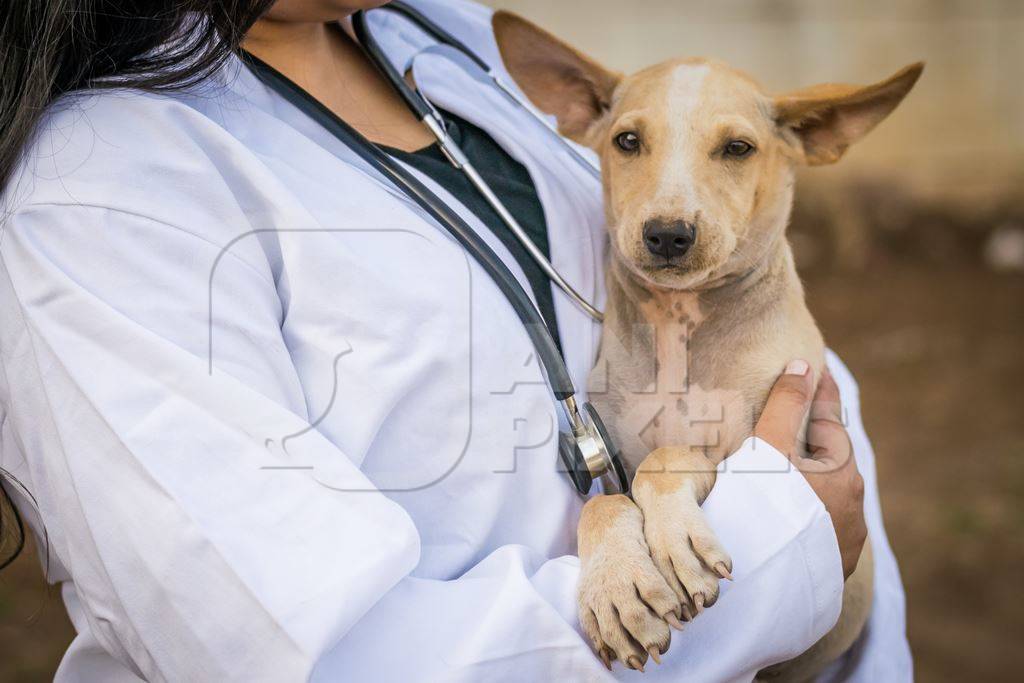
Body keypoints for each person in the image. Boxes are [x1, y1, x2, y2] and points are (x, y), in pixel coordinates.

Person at [0, 1, 910, 680]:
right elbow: (307, 653)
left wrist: (853, 636)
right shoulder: (100, 193)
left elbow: (790, 380)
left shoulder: (451, 40)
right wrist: (775, 546)